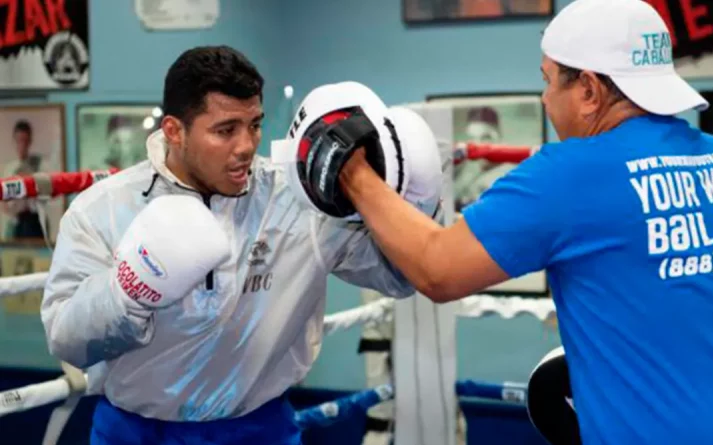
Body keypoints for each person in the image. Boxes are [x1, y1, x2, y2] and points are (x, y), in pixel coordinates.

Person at [290, 0, 713, 443]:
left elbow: (435, 268)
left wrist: (352, 168)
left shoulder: (572, 174)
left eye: (548, 80)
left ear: (590, 91)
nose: (544, 98)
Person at [41, 46, 443, 445]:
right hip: (135, 432)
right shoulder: (103, 209)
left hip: (258, 429)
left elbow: (401, 277)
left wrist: (415, 198)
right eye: (225, 130)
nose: (247, 146)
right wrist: (127, 289)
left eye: (254, 125)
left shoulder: (296, 200)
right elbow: (67, 340)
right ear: (174, 131)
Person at [2, 120, 45, 239]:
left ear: (30, 142)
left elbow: (44, 197)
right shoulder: (9, 169)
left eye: (25, 141)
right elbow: (4, 202)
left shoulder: (38, 167)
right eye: (19, 141)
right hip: (14, 221)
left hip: (33, 221)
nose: (22, 145)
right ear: (14, 141)